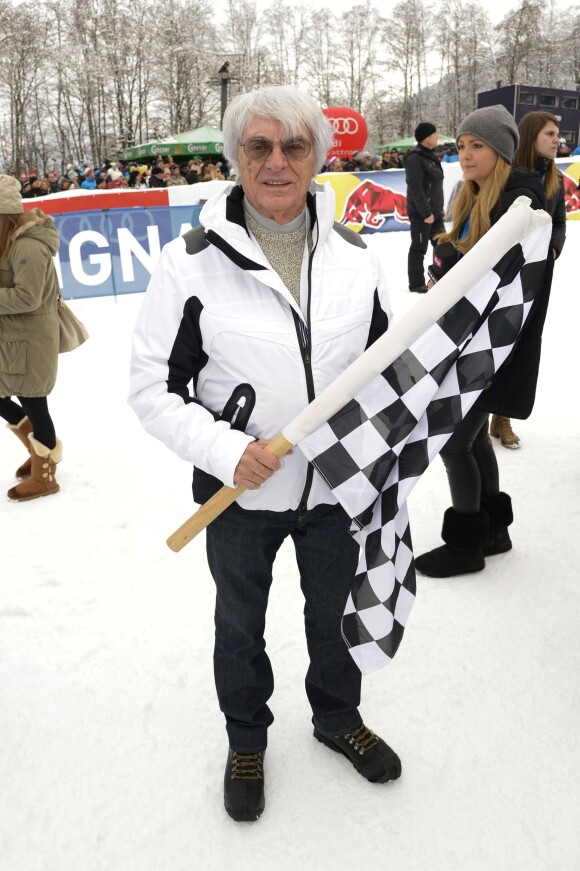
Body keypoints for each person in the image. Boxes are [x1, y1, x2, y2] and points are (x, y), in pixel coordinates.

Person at [128, 85, 401, 823]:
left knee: (335, 614)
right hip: (241, 497)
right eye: (258, 146)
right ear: (235, 157)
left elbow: (385, 367)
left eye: (294, 146)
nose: (276, 161)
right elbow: (152, 386)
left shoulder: (355, 255)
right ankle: (247, 736)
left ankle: (337, 715)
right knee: (239, 625)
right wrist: (226, 448)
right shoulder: (188, 265)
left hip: (337, 490)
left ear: (318, 157)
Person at [414, 105, 547, 579]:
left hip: (491, 344)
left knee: (454, 442)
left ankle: (466, 545)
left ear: (503, 152)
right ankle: (494, 531)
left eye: (478, 146)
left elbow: (500, 281)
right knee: (471, 439)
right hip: (474, 339)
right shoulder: (475, 197)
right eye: (462, 146)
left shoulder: (519, 203)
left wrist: (453, 270)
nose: (465, 155)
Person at [490, 111, 567, 449]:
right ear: (531, 135)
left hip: (539, 275)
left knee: (522, 343)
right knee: (496, 339)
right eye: (550, 133)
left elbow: (559, 223)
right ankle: (480, 415)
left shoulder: (556, 179)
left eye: (558, 134)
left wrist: (552, 248)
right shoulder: (506, 177)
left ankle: (501, 417)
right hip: (506, 274)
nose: (556, 140)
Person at [0, 174, 62, 501]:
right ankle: (39, 450)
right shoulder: (11, 242)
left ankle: (45, 475)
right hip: (13, 341)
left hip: (31, 343)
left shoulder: (27, 246)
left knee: (36, 405)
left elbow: (27, 297)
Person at [404, 122, 445, 293]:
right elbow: (415, 187)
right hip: (422, 214)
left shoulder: (430, 156)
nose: (437, 137)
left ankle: (442, 277)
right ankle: (416, 283)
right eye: (435, 134)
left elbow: (434, 185)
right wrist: (426, 212)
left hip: (435, 212)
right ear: (426, 138)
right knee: (419, 248)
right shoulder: (415, 158)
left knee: (442, 245)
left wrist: (438, 209)